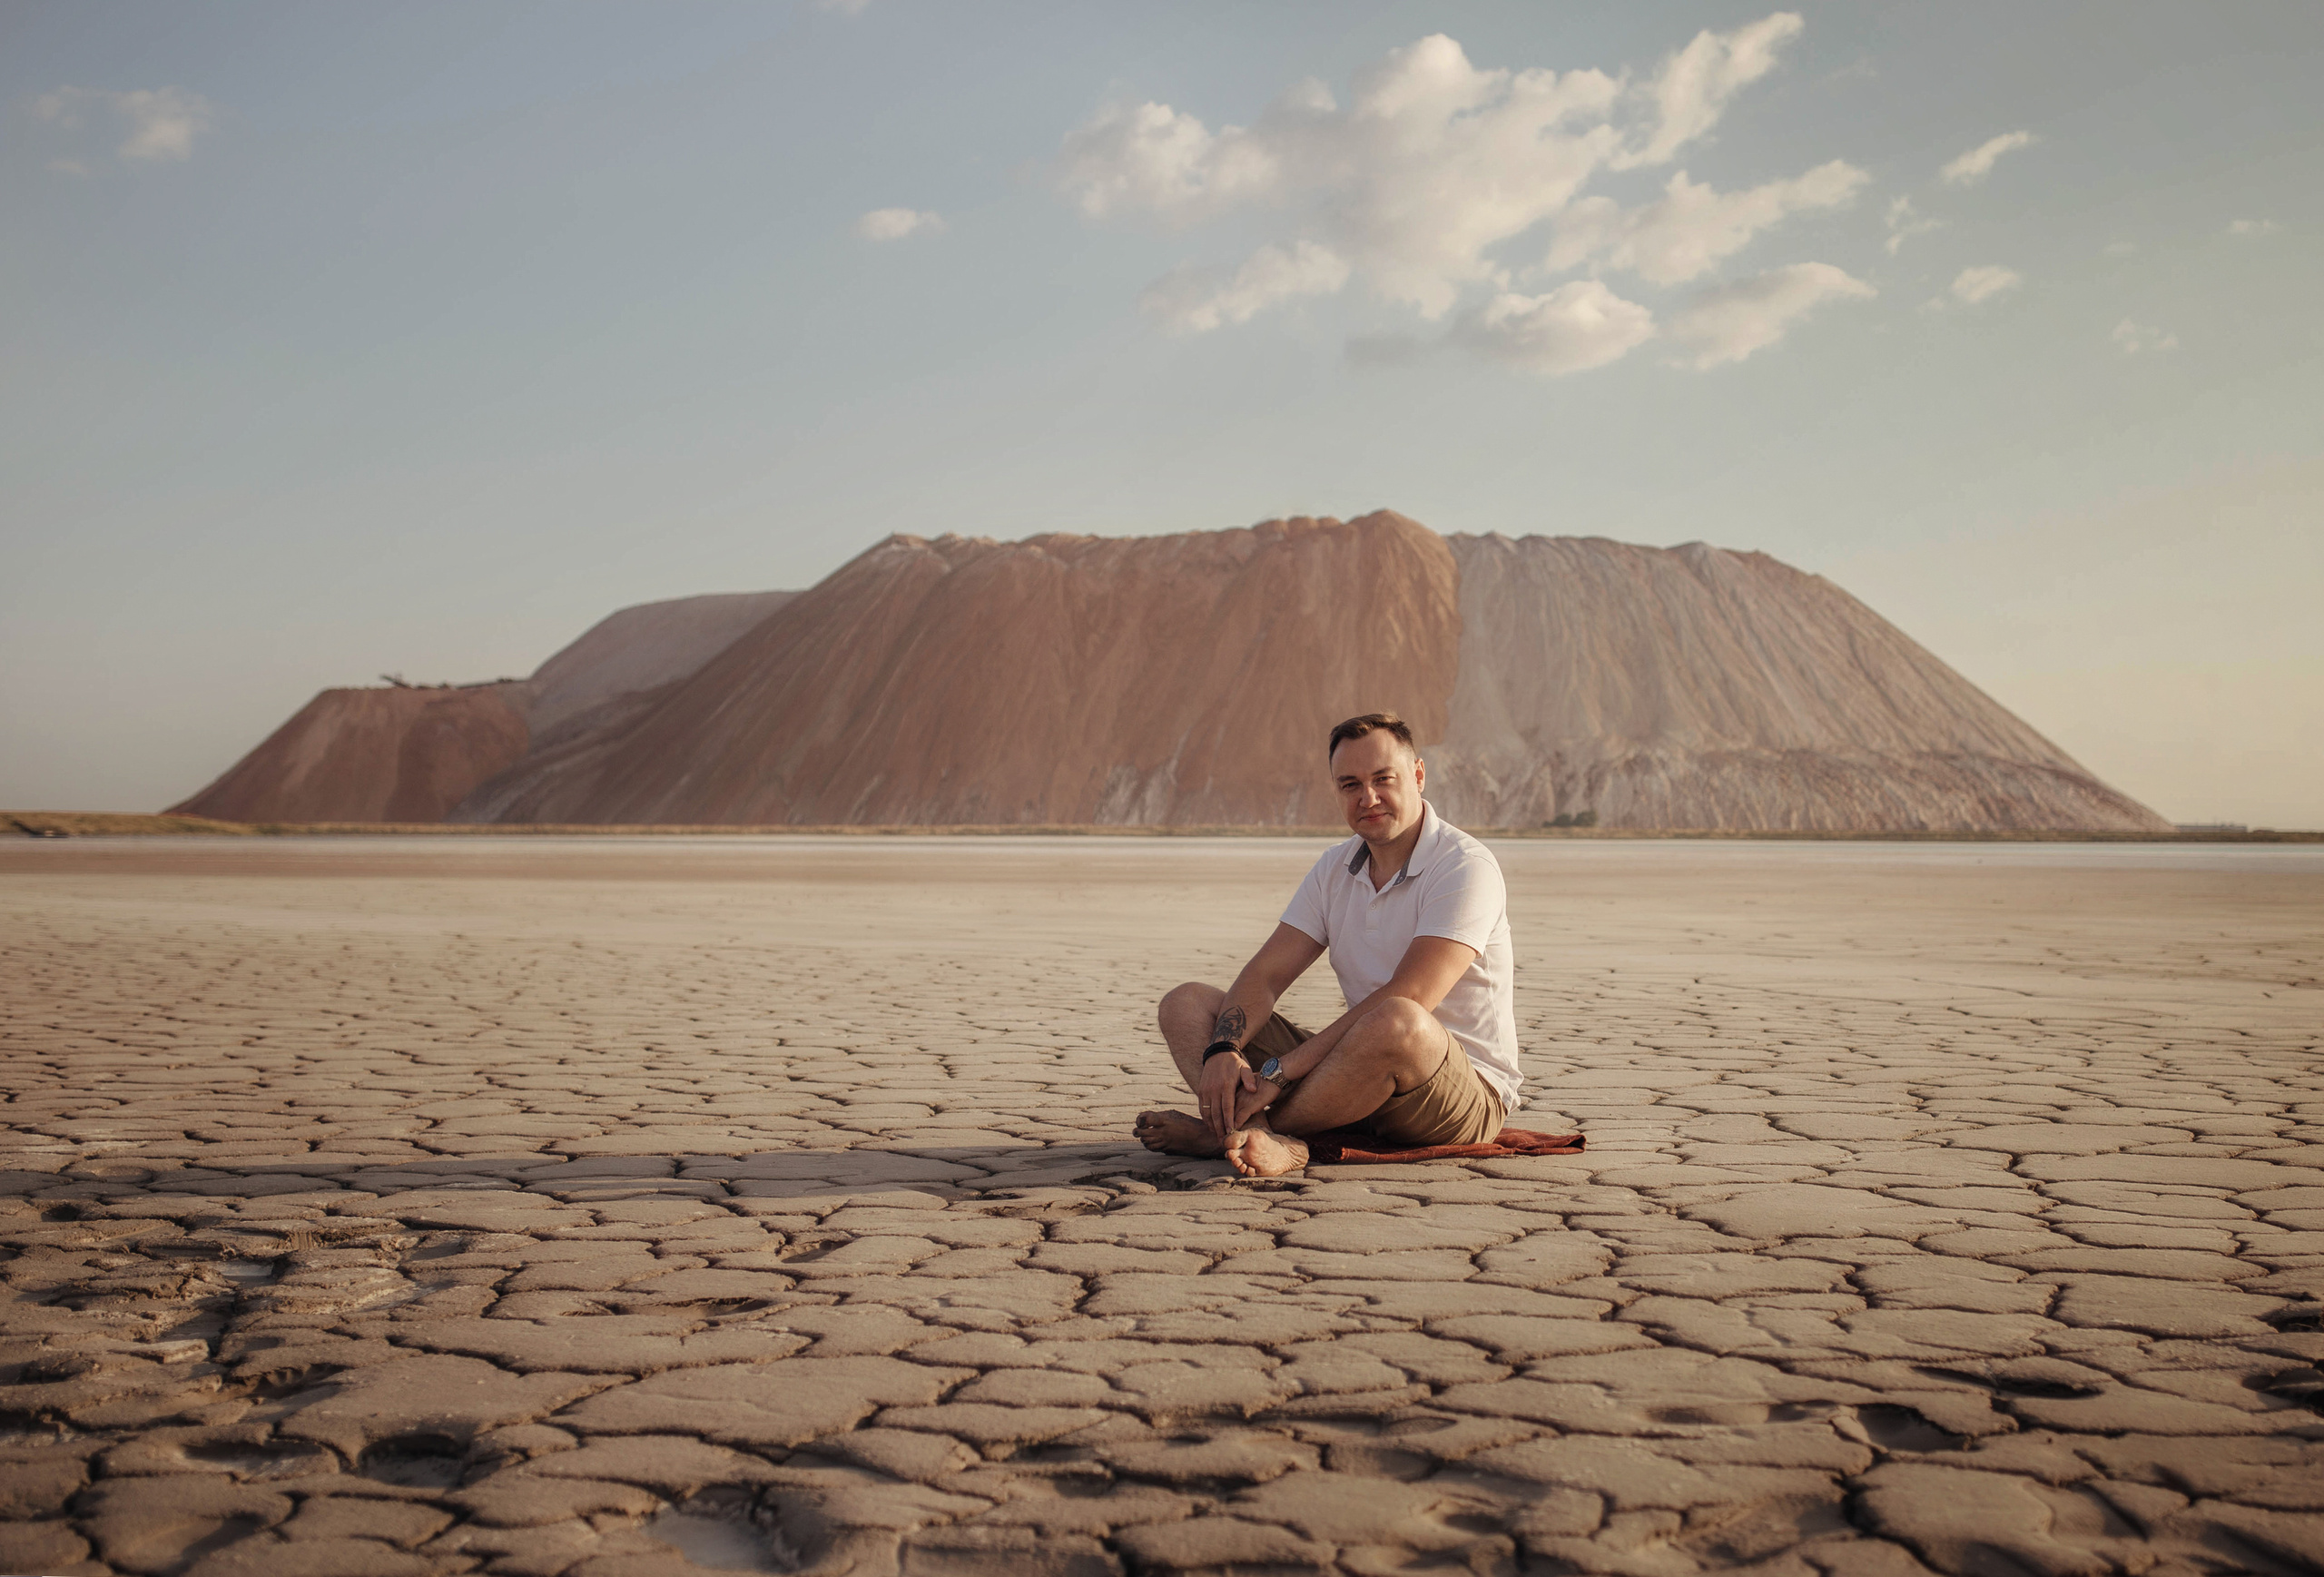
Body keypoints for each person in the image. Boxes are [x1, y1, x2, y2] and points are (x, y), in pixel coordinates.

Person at [1135, 712, 1522, 1178]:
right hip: (1362, 1077)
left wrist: (1281, 1072)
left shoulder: (1463, 866)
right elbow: (1266, 976)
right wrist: (1224, 1049)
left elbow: (1413, 996)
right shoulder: (1335, 869)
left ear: (1418, 775)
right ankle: (1246, 1132)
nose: (1368, 798)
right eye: (1350, 784)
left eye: (1384, 779)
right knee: (1187, 1004)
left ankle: (1254, 1137)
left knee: (1400, 1019)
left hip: (1461, 1095)